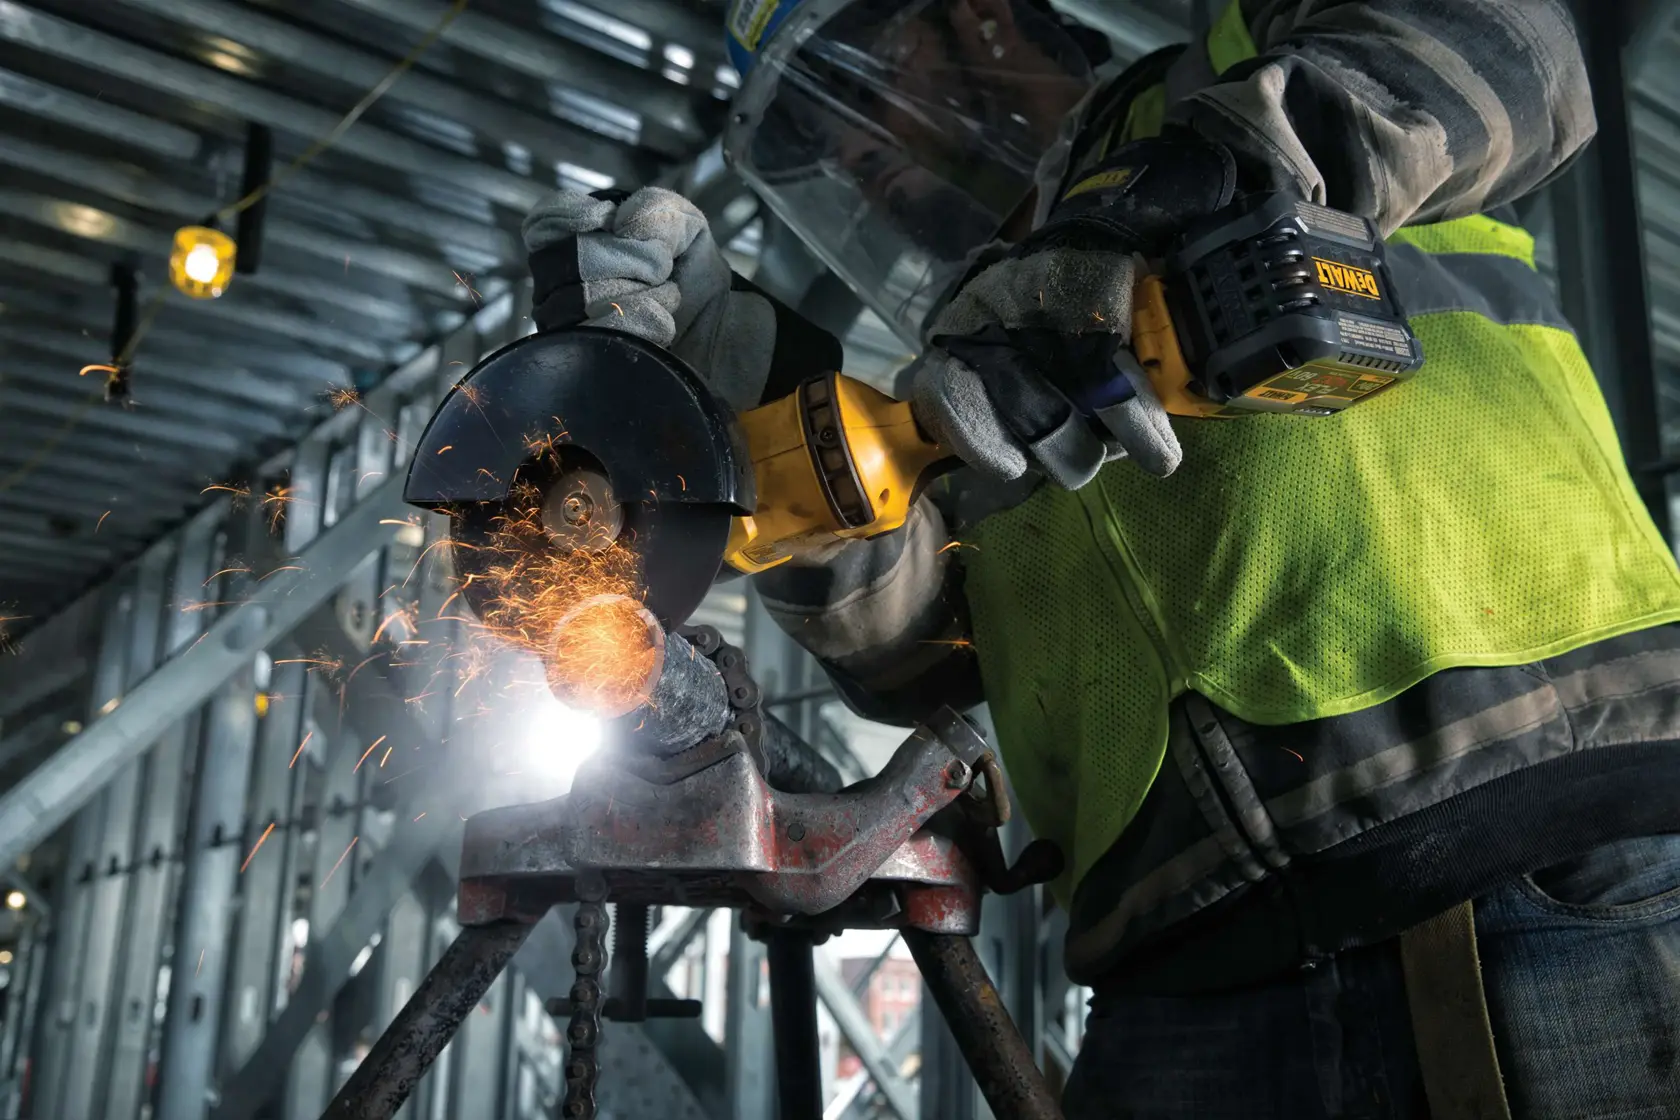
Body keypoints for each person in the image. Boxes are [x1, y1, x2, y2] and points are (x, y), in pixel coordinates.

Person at [522, 1, 1680, 1115]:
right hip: (1177, 982)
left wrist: (1176, 194)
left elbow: (1512, 41)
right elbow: (926, 662)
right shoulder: (968, 353)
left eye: (863, 80)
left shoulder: (1234, 64)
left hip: (1552, 868)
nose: (847, 150)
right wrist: (750, 397)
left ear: (974, 13)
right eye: (820, 140)